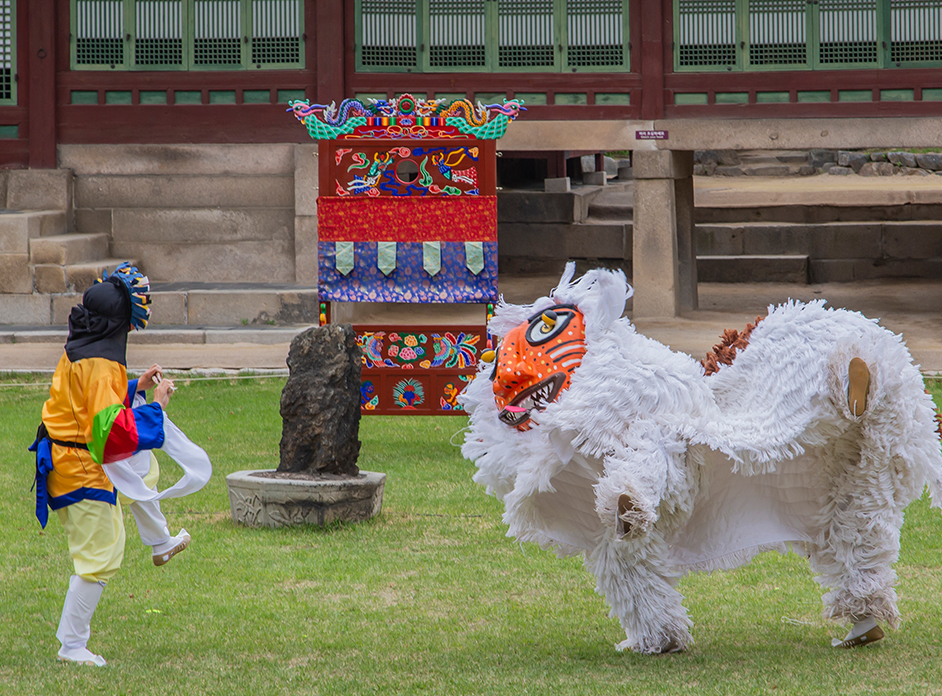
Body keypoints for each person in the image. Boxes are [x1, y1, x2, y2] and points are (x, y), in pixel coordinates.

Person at [30, 263, 189, 667]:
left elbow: (90, 400)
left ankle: (160, 541)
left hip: (75, 455)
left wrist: (136, 386)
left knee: (142, 469)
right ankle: (72, 645)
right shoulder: (100, 363)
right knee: (101, 553)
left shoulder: (83, 347)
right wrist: (156, 409)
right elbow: (109, 432)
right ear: (119, 322)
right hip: (78, 466)